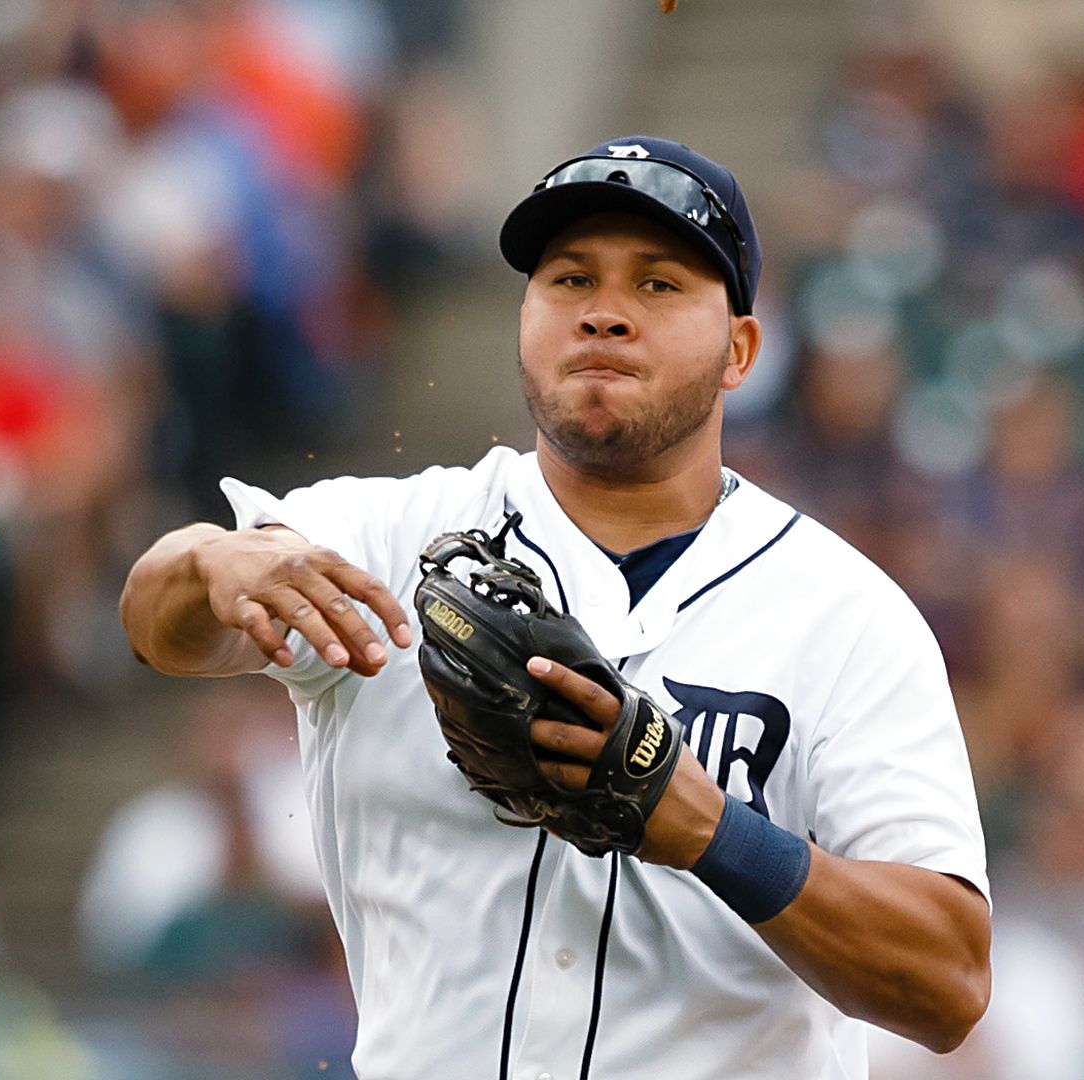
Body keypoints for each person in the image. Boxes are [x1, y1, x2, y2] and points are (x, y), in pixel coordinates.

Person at [120, 136, 991, 1080]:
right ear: (526, 318)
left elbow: (947, 984)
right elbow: (157, 624)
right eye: (570, 281)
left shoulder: (847, 618)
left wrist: (707, 828)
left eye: (658, 285)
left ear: (740, 348)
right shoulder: (383, 537)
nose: (604, 315)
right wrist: (210, 560)